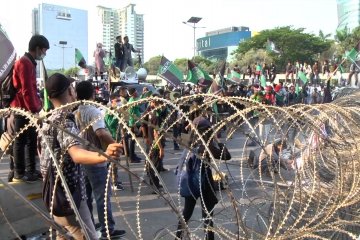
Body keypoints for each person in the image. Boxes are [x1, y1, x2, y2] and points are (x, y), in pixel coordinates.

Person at [39, 73, 123, 239]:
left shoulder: (47, 120)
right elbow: (76, 153)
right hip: (69, 196)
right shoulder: (64, 121)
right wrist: (104, 155)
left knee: (63, 236)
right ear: (70, 91)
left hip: (54, 194)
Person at [74, 80, 126, 239]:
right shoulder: (94, 111)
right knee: (102, 197)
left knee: (87, 196)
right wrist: (115, 145)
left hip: (83, 157)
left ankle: (89, 226)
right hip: (96, 158)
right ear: (92, 93)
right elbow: (101, 133)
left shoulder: (76, 111)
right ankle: (108, 229)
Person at [175, 117, 231, 240]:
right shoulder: (205, 147)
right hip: (203, 182)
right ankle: (208, 238)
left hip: (189, 182)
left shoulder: (190, 142)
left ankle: (178, 237)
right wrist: (219, 142)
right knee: (207, 214)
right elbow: (227, 156)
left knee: (187, 212)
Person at [11, 35, 49, 183]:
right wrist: (35, 109)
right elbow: (27, 90)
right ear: (38, 48)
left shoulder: (29, 62)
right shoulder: (24, 63)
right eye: (44, 50)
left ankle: (31, 170)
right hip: (22, 108)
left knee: (31, 140)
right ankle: (19, 173)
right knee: (21, 139)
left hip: (27, 107)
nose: (44, 53)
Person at [141, 94, 165, 193]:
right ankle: (155, 186)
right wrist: (161, 148)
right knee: (155, 166)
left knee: (151, 163)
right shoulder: (156, 116)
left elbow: (143, 125)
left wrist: (146, 136)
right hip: (155, 144)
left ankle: (154, 183)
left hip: (150, 142)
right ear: (155, 103)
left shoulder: (148, 112)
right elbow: (156, 133)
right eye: (160, 103)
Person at [127, 87, 142, 163]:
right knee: (132, 141)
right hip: (133, 124)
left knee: (134, 141)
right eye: (136, 91)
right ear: (133, 93)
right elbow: (131, 115)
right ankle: (131, 158)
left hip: (136, 123)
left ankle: (133, 155)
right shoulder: (132, 101)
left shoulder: (134, 100)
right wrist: (134, 126)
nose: (137, 92)